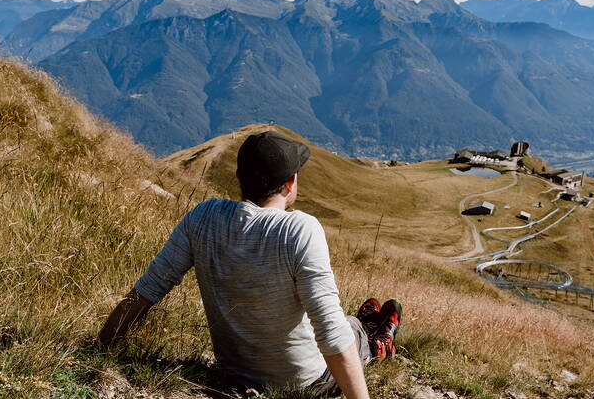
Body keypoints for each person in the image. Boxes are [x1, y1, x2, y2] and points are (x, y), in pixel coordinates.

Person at [98, 130, 402, 398]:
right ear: (290, 182)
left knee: (347, 322)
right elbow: (331, 332)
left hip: (232, 374)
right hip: (304, 384)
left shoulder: (203, 217)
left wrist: (101, 347)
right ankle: (377, 341)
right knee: (350, 328)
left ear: (239, 178)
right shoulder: (298, 230)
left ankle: (370, 327)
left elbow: (148, 290)